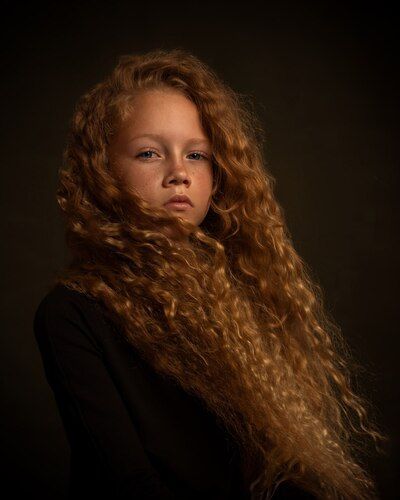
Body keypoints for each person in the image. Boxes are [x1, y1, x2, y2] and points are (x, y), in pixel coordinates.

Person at [33, 48, 387, 499]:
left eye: (197, 155)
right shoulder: (72, 313)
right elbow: (128, 483)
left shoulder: (241, 297)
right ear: (102, 172)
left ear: (217, 176)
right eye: (148, 153)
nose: (179, 173)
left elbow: (278, 473)